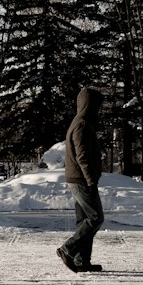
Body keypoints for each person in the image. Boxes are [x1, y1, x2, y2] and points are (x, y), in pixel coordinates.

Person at [57, 85, 105, 273]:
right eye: (97, 105)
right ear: (90, 105)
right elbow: (82, 156)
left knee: (84, 219)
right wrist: (91, 180)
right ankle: (68, 249)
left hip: (77, 179)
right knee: (95, 218)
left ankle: (81, 261)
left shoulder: (79, 122)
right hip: (81, 180)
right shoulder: (82, 125)